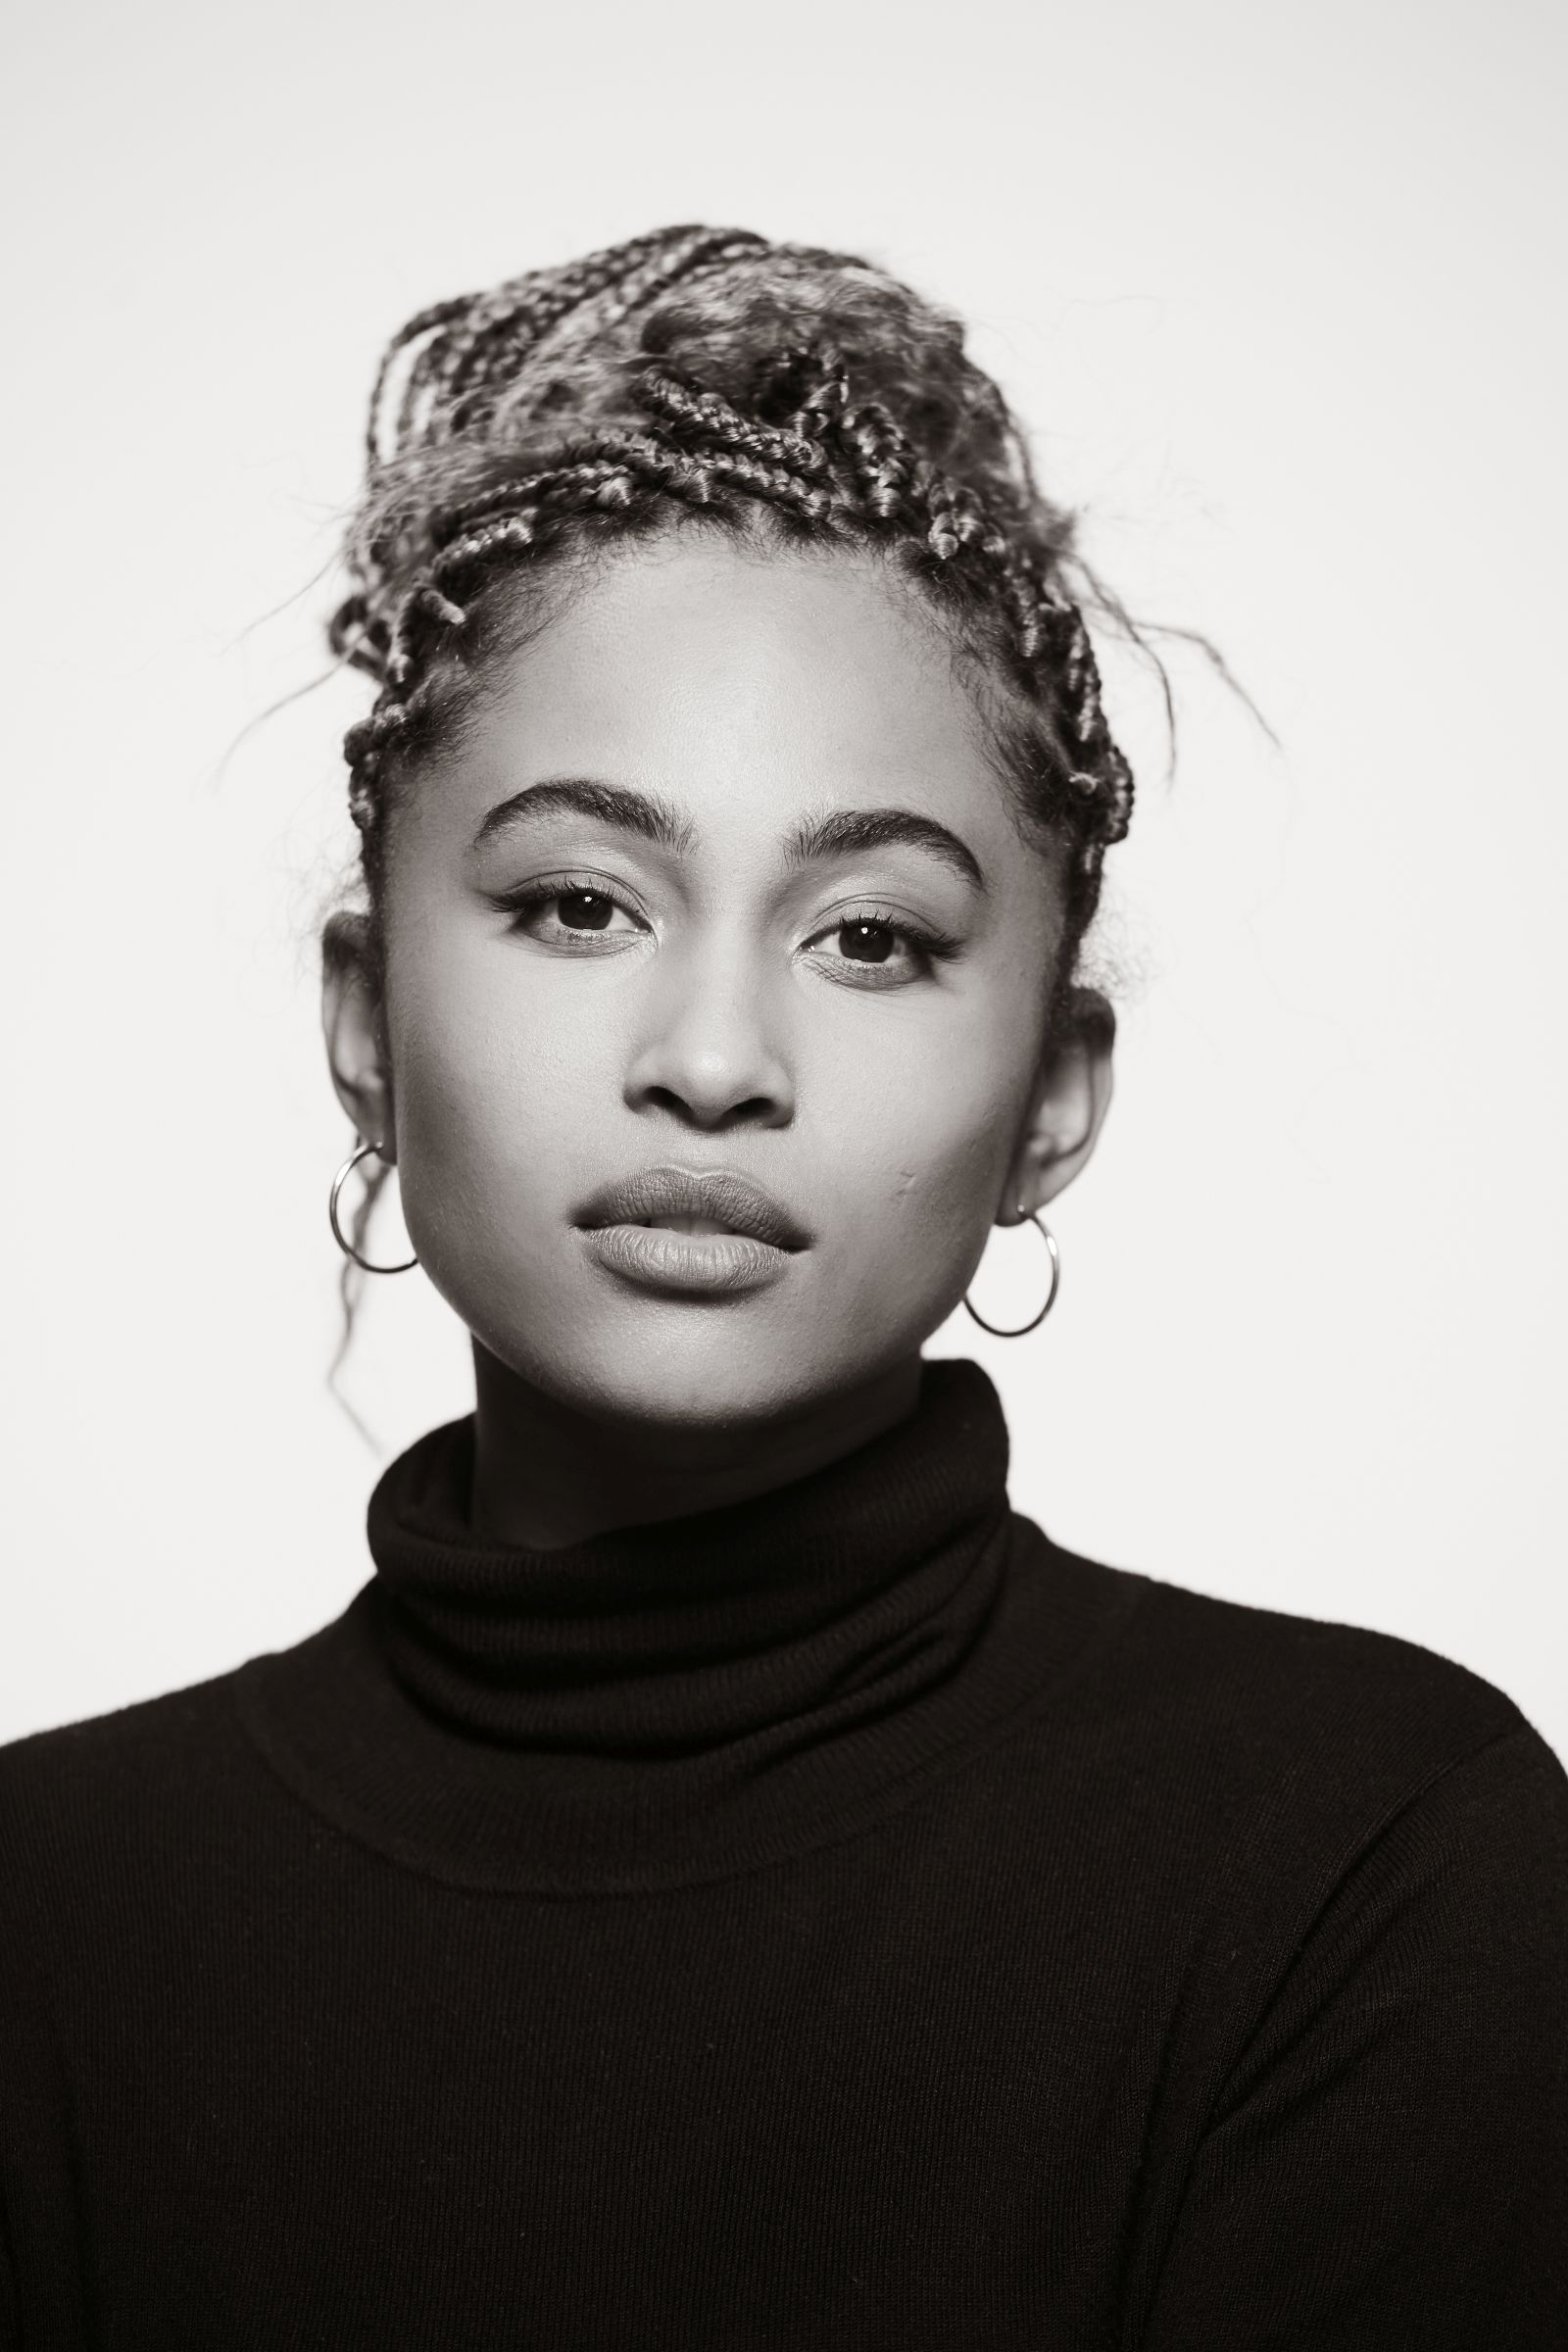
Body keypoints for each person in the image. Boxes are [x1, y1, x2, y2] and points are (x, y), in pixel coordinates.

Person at [1, 225, 1563, 2349]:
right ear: (367, 1015)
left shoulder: (1369, 1856)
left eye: (872, 937)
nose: (714, 1058)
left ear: (1049, 1095)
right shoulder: (50, 1913)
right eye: (575, 903)